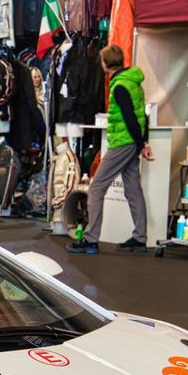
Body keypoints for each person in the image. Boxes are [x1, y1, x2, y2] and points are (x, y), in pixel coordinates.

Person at [70, 44, 151, 254]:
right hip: (131, 142)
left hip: (123, 142)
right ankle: (140, 238)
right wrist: (143, 142)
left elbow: (130, 118)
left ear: (105, 64)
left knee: (97, 187)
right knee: (133, 189)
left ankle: (90, 239)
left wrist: (141, 144)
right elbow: (143, 115)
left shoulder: (120, 86)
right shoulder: (133, 82)